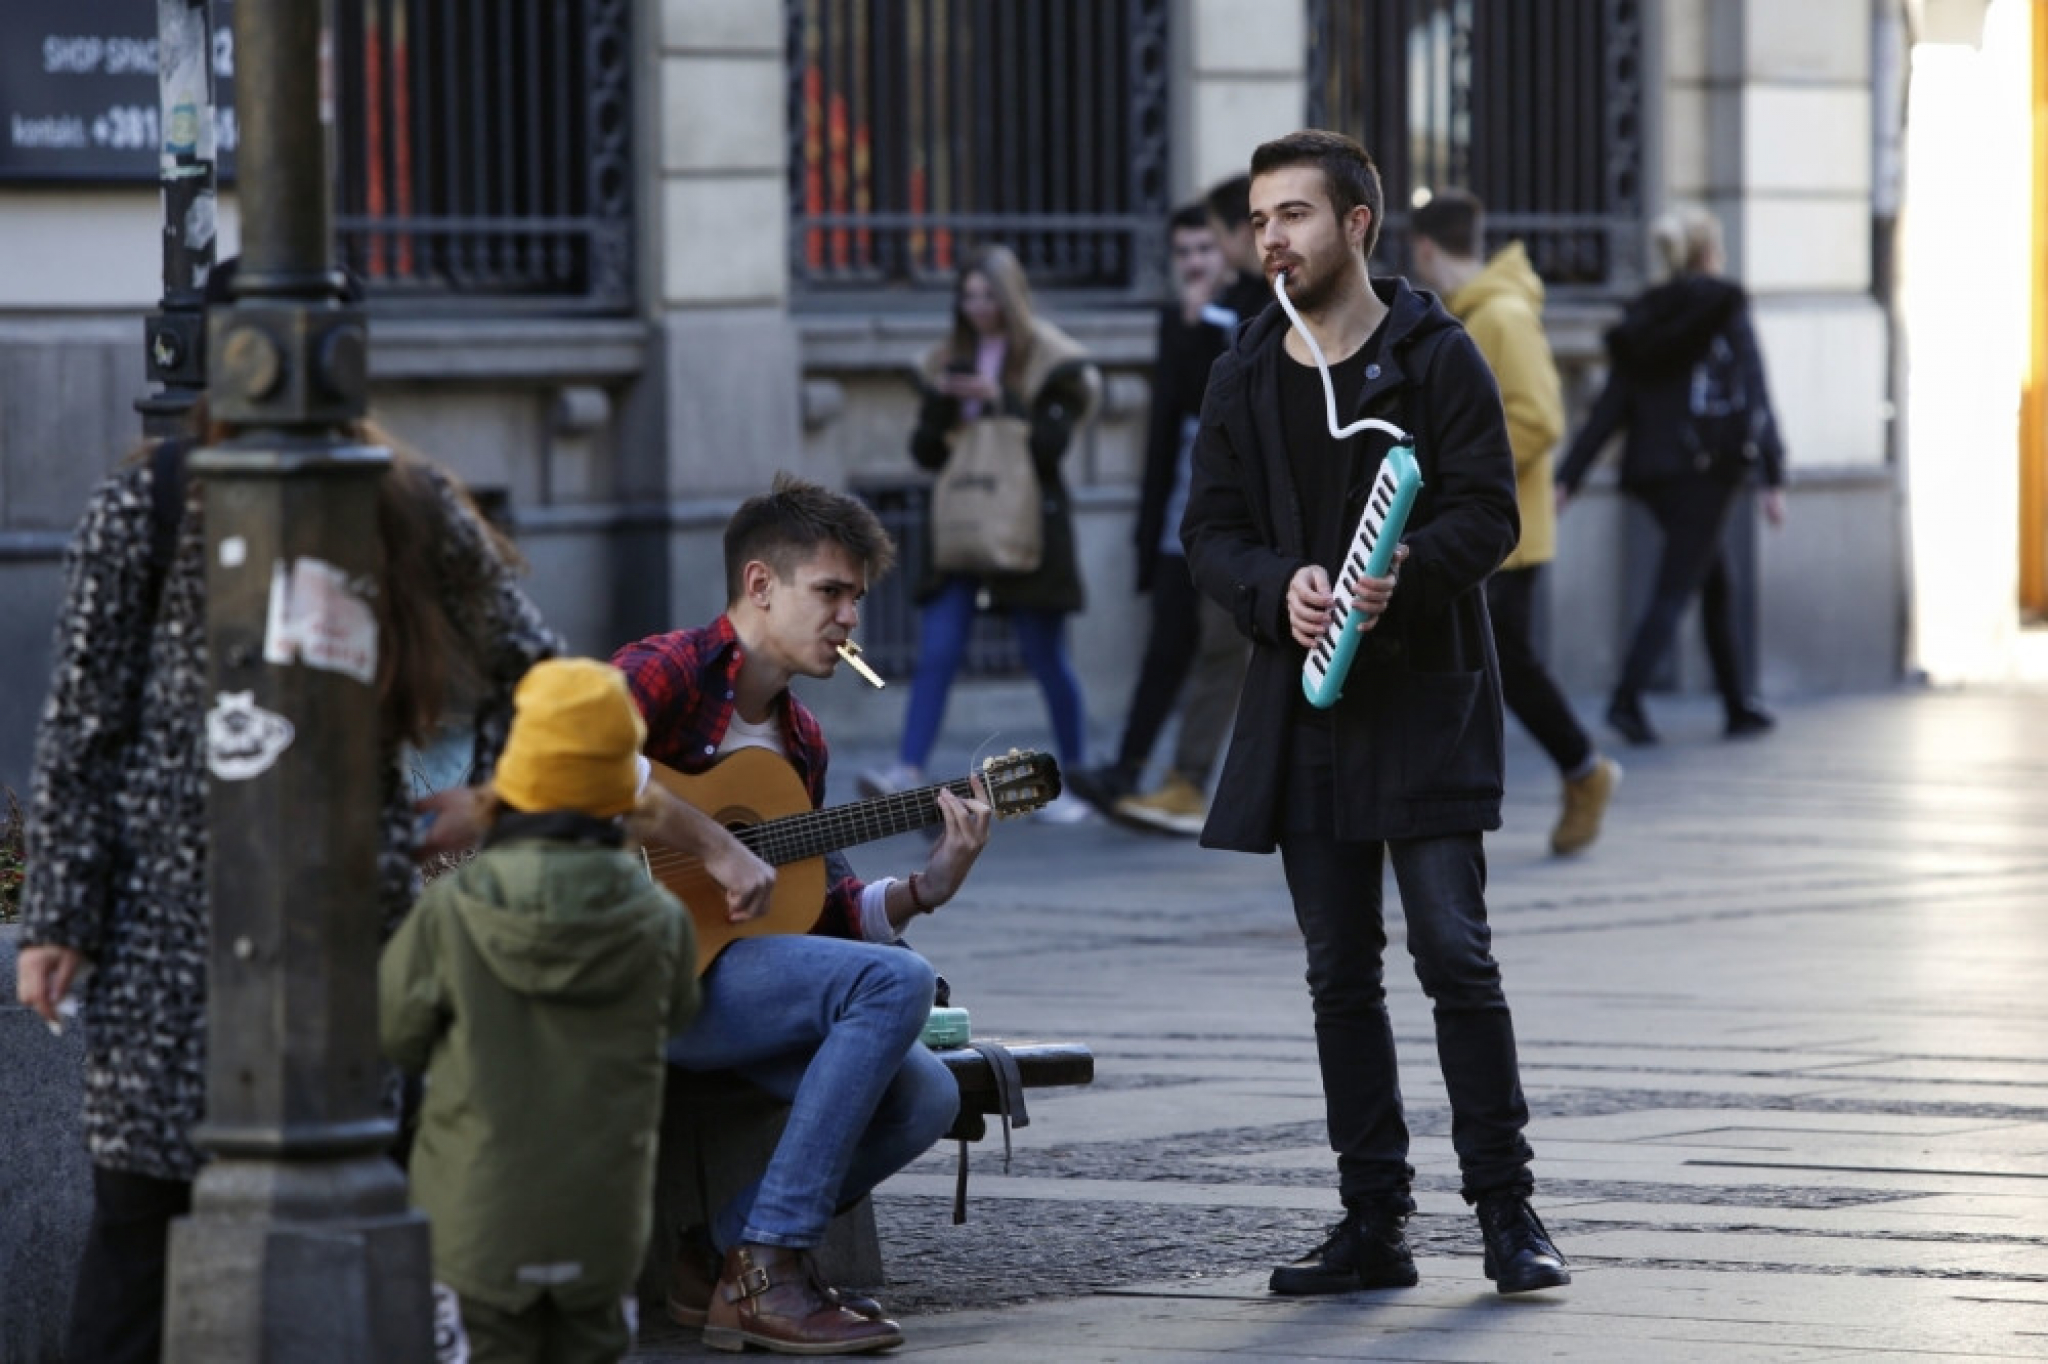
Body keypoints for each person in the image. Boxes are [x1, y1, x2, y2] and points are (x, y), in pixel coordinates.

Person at [12, 401, 567, 1364]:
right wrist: (59, 917)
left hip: (343, 931)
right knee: (146, 1230)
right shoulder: (150, 502)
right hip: (168, 937)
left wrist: (493, 802)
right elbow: (84, 722)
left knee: (335, 1222)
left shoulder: (397, 499)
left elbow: (543, 678)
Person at [1180, 129, 1571, 1297]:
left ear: (1356, 224)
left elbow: (1486, 513)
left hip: (1421, 698)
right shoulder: (1245, 367)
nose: (1268, 241)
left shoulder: (1434, 352)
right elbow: (1210, 532)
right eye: (1256, 220)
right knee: (1337, 970)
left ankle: (1507, 1212)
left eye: (1290, 216)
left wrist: (1404, 580)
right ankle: (1373, 1222)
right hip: (1306, 711)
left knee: (1455, 953)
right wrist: (1274, 587)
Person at [612, 473, 993, 1356]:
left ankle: (714, 1261)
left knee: (927, 1092)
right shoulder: (669, 667)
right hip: (628, 968)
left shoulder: (802, 742)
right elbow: (569, 755)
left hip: (726, 987)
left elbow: (815, 916)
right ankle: (773, 1268)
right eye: (830, 592)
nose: (849, 616)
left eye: (856, 597)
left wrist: (925, 888)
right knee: (893, 986)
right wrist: (712, 843)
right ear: (759, 586)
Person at [381, 657, 700, 1363]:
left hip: (475, 1230)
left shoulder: (453, 911)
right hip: (604, 1229)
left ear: (515, 776)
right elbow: (676, 1017)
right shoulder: (661, 921)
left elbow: (398, 1034)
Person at [1410, 188, 1622, 855]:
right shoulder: (1474, 314)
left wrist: (1460, 469)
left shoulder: (1498, 316)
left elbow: (1540, 420)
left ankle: (1585, 773)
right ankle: (1577, 774)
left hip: (1503, 538)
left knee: (1492, 675)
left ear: (1423, 248)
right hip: (1484, 533)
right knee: (1479, 674)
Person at [858, 245, 1101, 823]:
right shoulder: (950, 358)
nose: (977, 307)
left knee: (1047, 658)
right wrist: (946, 400)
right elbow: (922, 451)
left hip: (1026, 528)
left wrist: (1003, 401)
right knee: (938, 650)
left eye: (988, 295)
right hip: (963, 526)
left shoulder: (1048, 359)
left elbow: (1051, 448)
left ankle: (1077, 775)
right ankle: (907, 769)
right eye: (967, 296)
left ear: (1009, 297)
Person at [1554, 206, 1786, 747]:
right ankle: (1626, 699)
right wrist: (1773, 473)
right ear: (1709, 252)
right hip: (1707, 468)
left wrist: (1570, 476)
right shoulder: (1725, 305)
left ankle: (1736, 703)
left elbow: (1613, 404)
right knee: (1676, 586)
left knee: (1714, 579)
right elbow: (1754, 388)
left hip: (1654, 472)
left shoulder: (1647, 317)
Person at [1066, 202, 1252, 835]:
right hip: (1181, 505)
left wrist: (1204, 325)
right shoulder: (1178, 319)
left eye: (1205, 248)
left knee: (1223, 646)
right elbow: (1169, 415)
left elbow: (1224, 397)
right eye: (1184, 253)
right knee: (1166, 643)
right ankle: (1128, 768)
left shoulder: (1252, 310)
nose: (1196, 263)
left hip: (1233, 514)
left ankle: (1189, 777)